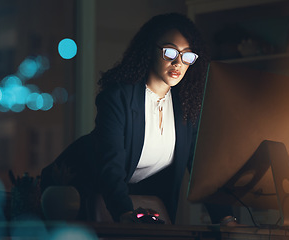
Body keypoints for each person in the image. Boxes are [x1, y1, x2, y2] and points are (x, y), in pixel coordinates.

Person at [41, 12, 209, 224]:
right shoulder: (118, 97)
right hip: (73, 187)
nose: (178, 63)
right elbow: (111, 165)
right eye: (169, 52)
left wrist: (227, 217)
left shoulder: (185, 106)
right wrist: (124, 213)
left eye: (187, 56)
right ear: (150, 49)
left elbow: (199, 169)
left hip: (122, 198)